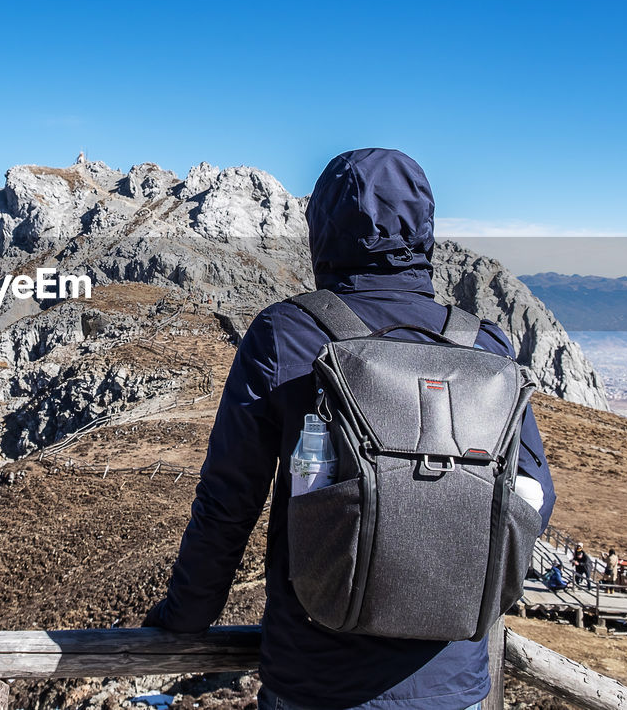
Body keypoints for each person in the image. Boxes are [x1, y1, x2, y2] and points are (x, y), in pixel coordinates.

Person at [143, 149, 556, 710]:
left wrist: (182, 620)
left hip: (318, 676)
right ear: (426, 227)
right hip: (451, 678)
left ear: (323, 230)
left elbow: (228, 501)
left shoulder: (286, 336)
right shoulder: (484, 347)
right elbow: (533, 495)